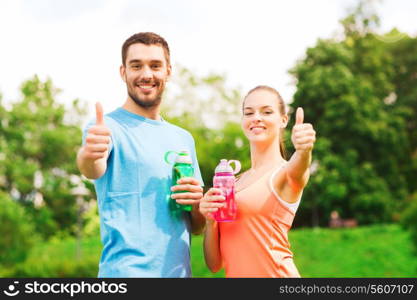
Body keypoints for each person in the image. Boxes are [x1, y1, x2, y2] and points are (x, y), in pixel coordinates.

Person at [76, 32, 205, 277]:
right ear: (123, 72)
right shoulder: (106, 128)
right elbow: (92, 167)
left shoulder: (183, 138)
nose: (147, 74)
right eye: (136, 66)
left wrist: (198, 205)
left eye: (155, 65)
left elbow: (198, 227)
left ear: (168, 71)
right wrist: (88, 154)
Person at [199, 85, 316, 277]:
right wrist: (210, 221)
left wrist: (304, 151)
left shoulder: (284, 174)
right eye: (249, 112)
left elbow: (299, 169)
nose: (256, 118)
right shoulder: (233, 183)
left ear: (283, 120)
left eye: (267, 112)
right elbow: (214, 265)